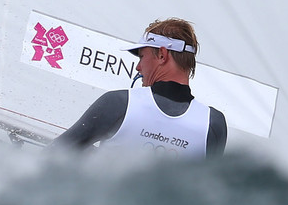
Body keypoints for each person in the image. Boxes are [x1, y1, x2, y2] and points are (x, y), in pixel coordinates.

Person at [51, 17, 226, 157]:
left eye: (142, 56)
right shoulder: (214, 123)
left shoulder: (119, 104)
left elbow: (51, 156)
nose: (138, 67)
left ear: (162, 55)